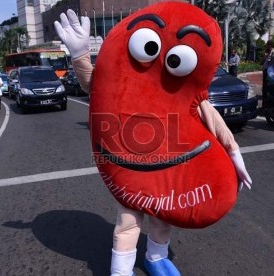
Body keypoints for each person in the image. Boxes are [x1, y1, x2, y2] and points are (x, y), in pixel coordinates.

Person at [54, 5, 252, 276]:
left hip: (168, 156)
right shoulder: (123, 74)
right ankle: (121, 270)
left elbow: (210, 115)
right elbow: (94, 84)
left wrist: (233, 151)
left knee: (163, 214)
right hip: (129, 159)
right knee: (128, 220)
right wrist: (79, 54)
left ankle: (156, 257)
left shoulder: (186, 90)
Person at [262, 40, 274, 108]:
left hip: (269, 73)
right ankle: (264, 106)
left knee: (267, 89)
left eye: (268, 45)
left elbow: (272, 63)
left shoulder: (273, 53)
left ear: (271, 46)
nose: (267, 46)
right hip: (265, 71)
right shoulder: (268, 52)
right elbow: (263, 61)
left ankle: (266, 107)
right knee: (264, 89)